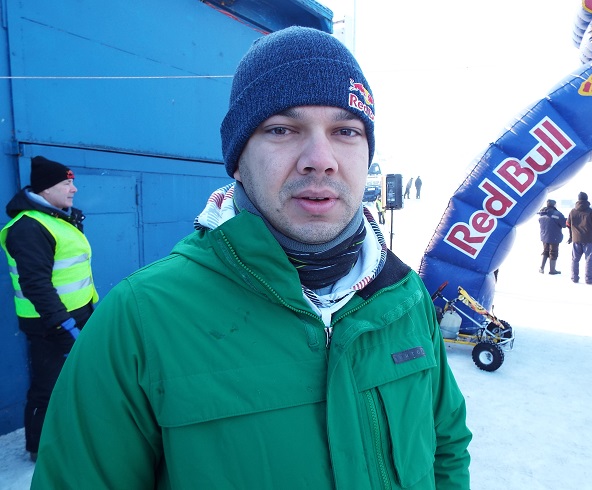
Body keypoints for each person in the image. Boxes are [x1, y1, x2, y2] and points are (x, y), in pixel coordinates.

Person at [31, 27, 471, 489]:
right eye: (282, 129)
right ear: (238, 160)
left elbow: (446, 446)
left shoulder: (404, 297)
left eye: (346, 131)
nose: (320, 159)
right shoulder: (139, 321)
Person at [0, 156, 98, 462]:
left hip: (77, 315)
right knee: (48, 387)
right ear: (45, 189)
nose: (74, 189)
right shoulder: (29, 227)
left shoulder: (59, 218)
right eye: (67, 183)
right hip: (50, 324)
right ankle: (40, 449)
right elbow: (36, 285)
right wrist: (63, 325)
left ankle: (72, 432)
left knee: (76, 379)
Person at [567, 191, 592, 285]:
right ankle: (589, 280)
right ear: (587, 199)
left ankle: (574, 278)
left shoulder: (572, 211)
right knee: (590, 260)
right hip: (589, 239)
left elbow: (568, 225)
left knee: (575, 259)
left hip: (576, 239)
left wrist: (571, 236)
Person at [537, 199, 566, 275]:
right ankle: (552, 270)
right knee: (553, 252)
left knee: (545, 251)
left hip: (544, 236)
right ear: (554, 205)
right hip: (554, 236)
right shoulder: (557, 214)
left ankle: (541, 268)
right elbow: (564, 224)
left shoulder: (542, 213)